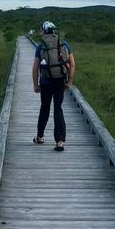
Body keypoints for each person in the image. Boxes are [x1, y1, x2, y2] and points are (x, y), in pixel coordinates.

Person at [30, 21, 75, 152]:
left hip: (45, 82)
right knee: (58, 108)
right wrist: (69, 82)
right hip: (60, 81)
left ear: (44, 31)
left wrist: (35, 85)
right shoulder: (64, 44)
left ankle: (40, 136)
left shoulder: (41, 46)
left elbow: (35, 68)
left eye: (41, 30)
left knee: (44, 108)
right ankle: (60, 141)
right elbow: (72, 65)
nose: (40, 32)